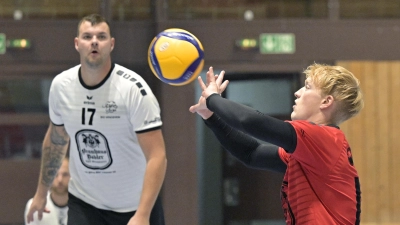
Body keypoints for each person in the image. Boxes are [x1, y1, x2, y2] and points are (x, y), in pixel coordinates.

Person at [26, 14, 167, 225]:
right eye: (87, 36)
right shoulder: (61, 86)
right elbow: (56, 139)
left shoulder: (133, 90)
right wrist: (40, 193)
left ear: (111, 44)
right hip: (85, 203)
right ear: (77, 44)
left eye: (101, 36)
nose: (94, 41)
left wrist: (143, 214)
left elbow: (157, 156)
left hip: (134, 206)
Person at [189, 64, 364, 224]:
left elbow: (250, 121)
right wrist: (211, 116)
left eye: (308, 87)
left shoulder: (325, 138)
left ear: (326, 102)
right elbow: (252, 153)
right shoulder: (313, 150)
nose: (298, 92)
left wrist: (213, 98)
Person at [24, 157, 70, 225]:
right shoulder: (35, 205)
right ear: (48, 176)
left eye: (65, 174)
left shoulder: (82, 206)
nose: (60, 179)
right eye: (55, 174)